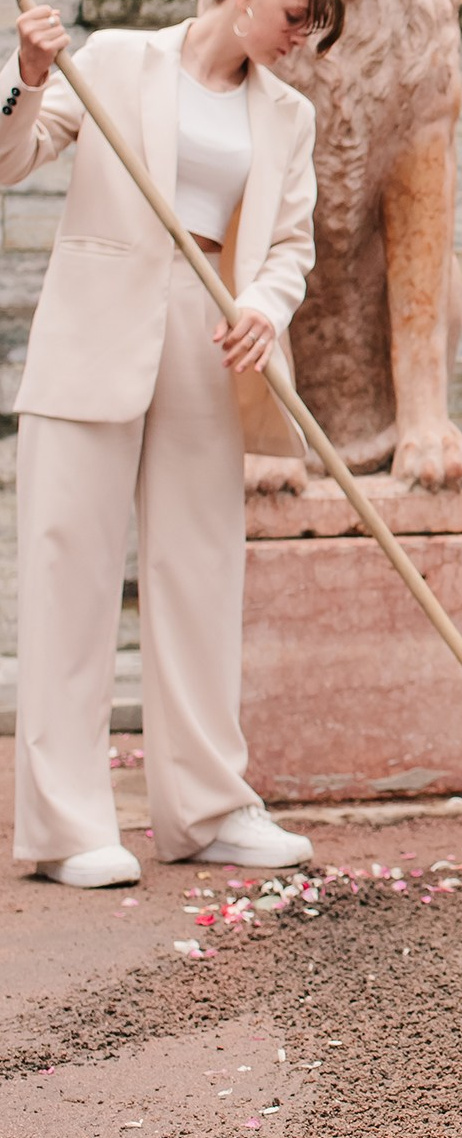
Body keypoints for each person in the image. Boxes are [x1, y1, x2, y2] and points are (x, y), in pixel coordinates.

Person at [5, 0, 343, 888]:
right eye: (295, 15)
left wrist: (265, 309)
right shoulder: (112, 61)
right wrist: (30, 77)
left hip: (211, 337)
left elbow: (288, 246)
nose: (298, 36)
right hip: (92, 328)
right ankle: (66, 825)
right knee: (65, 570)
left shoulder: (288, 115)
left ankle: (207, 808)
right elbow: (11, 160)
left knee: (200, 572)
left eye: (315, 28)